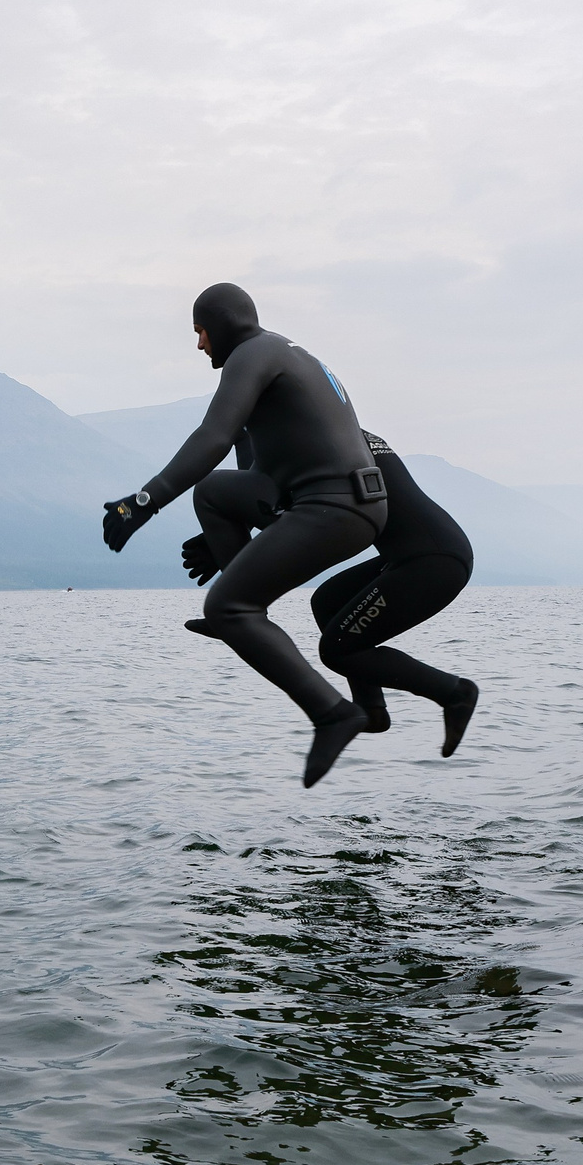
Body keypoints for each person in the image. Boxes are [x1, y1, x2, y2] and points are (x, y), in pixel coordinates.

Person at [100, 282, 390, 787]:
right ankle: (242, 611)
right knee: (212, 492)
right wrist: (226, 541)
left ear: (223, 323)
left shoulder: (253, 354)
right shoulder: (287, 353)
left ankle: (331, 713)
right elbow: (246, 465)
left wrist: (142, 503)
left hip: (334, 507)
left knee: (227, 607)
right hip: (355, 501)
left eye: (200, 332)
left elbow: (211, 435)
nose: (199, 346)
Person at [182, 431, 481, 758]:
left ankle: (454, 693)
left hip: (431, 563)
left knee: (338, 651)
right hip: (425, 553)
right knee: (327, 601)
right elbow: (280, 501)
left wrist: (224, 535)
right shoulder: (339, 433)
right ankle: (372, 710)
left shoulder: (318, 442)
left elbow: (282, 508)